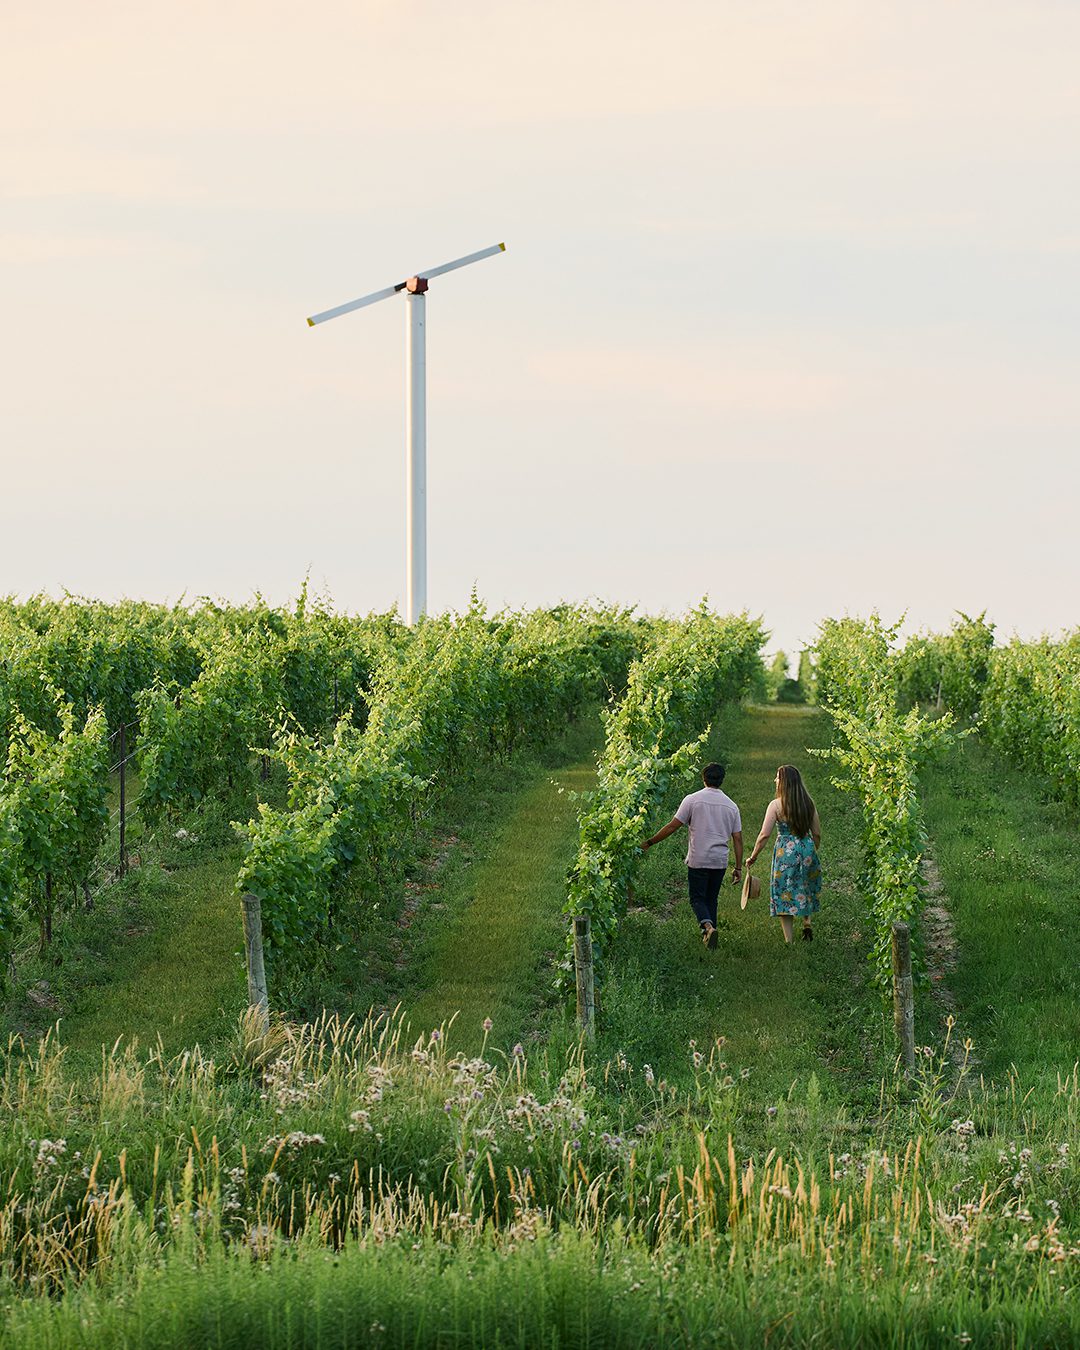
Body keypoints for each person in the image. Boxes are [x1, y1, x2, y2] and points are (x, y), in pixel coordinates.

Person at [641, 762, 743, 949]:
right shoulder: (731, 806)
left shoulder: (692, 800)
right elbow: (737, 838)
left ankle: (708, 927)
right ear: (722, 780)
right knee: (711, 898)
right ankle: (710, 936)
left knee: (697, 898)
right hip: (719, 860)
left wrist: (649, 842)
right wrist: (737, 867)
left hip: (699, 858)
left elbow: (673, 826)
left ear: (703, 779)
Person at [744, 765, 822, 944]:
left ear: (784, 782)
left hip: (785, 851)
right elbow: (817, 832)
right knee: (805, 884)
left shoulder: (776, 805)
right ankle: (807, 921)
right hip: (806, 847)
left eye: (777, 778)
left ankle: (789, 941)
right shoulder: (808, 803)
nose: (775, 780)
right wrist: (812, 849)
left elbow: (764, 835)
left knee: (784, 890)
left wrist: (753, 856)